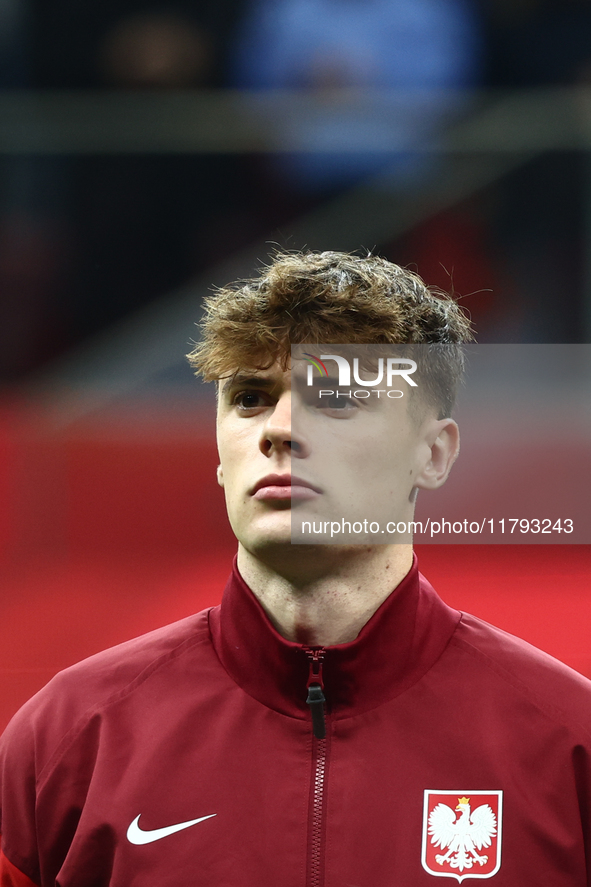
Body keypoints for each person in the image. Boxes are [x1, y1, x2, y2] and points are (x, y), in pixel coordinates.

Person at [1, 250, 591, 885]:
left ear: (433, 453)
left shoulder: (569, 744)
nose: (280, 430)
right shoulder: (67, 738)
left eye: (335, 399)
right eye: (251, 398)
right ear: (221, 453)